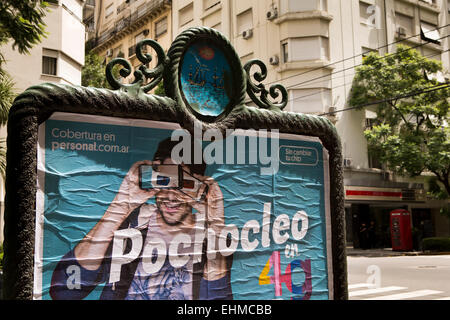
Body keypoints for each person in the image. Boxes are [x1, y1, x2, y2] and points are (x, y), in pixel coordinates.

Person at [50, 138, 232, 300]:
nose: (171, 196)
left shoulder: (212, 239)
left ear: (200, 187)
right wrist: (119, 207)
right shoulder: (128, 227)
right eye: (164, 180)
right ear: (152, 178)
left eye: (183, 184)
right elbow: (65, 292)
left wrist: (216, 227)